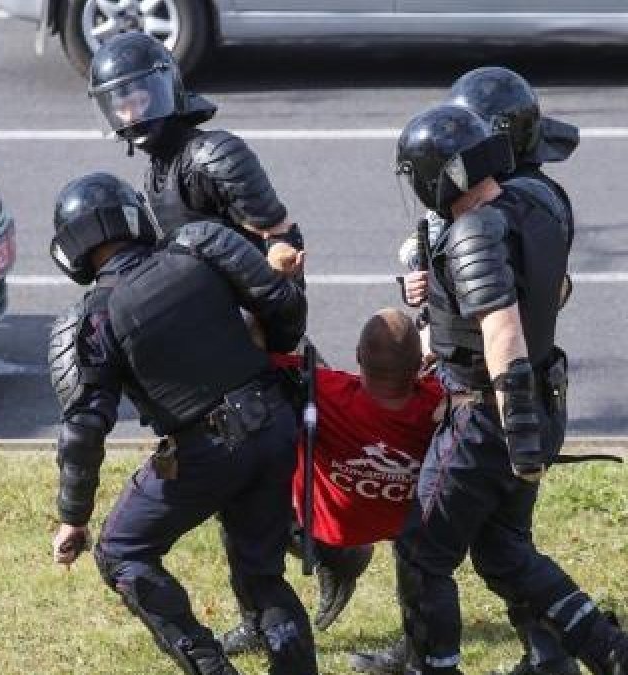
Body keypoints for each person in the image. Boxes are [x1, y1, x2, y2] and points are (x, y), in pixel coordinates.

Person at [388, 102, 628, 675]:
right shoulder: (534, 204)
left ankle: (431, 667)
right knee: (502, 549)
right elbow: (553, 291)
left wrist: (518, 437)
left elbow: (502, 332)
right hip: (541, 397)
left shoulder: (473, 233)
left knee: (421, 554)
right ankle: (615, 653)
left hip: (487, 417)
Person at [46, 172, 316, 675]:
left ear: (71, 249)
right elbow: (284, 312)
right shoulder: (202, 244)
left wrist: (73, 516)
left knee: (122, 551)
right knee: (262, 576)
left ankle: (211, 667)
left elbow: (83, 430)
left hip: (207, 452)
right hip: (276, 425)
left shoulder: (92, 319)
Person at [361, 66, 581, 675]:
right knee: (501, 542)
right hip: (517, 386)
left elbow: (540, 298)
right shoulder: (520, 197)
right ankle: (547, 654)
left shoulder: (513, 204)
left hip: (495, 396)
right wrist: (434, 289)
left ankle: (450, 657)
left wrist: (515, 422)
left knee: (449, 544)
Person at [219, 308, 446, 654]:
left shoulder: (325, 391)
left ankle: (261, 617)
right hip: (411, 523)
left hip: (334, 524)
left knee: (236, 502)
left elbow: (255, 355)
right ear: (421, 363)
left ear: (358, 356)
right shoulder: (442, 403)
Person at [87, 32, 304, 276]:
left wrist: (278, 257)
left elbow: (280, 234)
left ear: (163, 92)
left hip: (248, 293)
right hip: (199, 293)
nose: (131, 117)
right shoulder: (155, 175)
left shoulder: (216, 155)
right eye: (121, 108)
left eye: (140, 101)